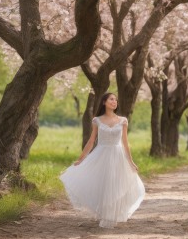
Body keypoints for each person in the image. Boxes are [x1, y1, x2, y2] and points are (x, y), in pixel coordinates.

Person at [60, 93, 145, 228]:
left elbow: (125, 143)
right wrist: (81, 159)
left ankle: (112, 215)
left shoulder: (123, 120)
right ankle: (104, 214)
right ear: (104, 102)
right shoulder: (97, 120)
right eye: (111, 99)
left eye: (116, 99)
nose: (114, 101)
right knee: (104, 183)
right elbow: (91, 141)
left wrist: (131, 162)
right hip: (101, 154)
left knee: (115, 184)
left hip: (118, 156)